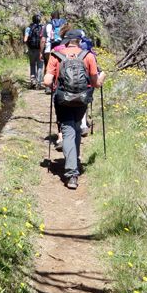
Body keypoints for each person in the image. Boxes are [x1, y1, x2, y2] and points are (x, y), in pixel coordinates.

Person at [43, 29, 106, 189]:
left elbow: (47, 81)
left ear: (66, 41)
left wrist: (53, 80)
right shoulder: (88, 56)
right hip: (82, 100)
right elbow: (95, 83)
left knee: (68, 131)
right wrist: (102, 76)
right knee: (76, 128)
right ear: (79, 41)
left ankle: (72, 173)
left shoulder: (56, 56)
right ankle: (74, 161)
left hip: (63, 100)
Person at [23, 14, 45, 89]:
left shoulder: (28, 28)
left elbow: (25, 40)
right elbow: (43, 39)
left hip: (31, 49)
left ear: (32, 20)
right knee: (40, 66)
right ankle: (39, 82)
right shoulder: (42, 28)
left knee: (32, 64)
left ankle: (33, 81)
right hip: (40, 49)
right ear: (39, 20)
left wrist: (28, 45)